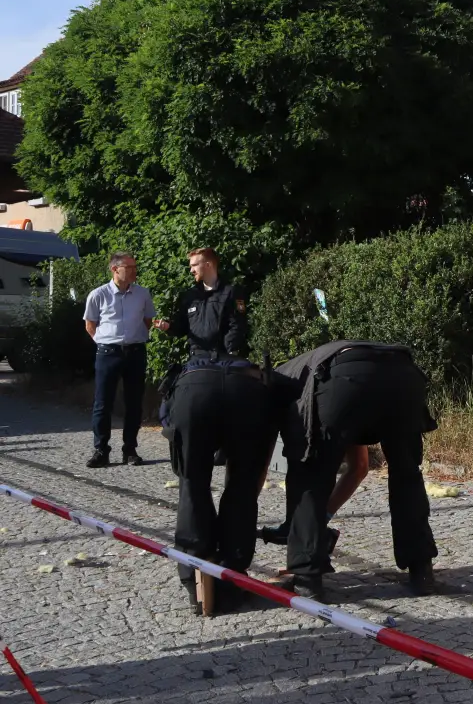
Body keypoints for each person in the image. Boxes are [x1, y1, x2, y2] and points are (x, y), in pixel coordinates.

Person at [272, 341, 438, 598]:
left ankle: (307, 580)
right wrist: (322, 519)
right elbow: (359, 467)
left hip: (348, 380)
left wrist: (302, 531)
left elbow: (289, 467)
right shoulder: (321, 376)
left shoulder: (287, 382)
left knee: (309, 475)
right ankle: (422, 571)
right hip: (403, 377)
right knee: (407, 476)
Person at [162, 354, 285, 614]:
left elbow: (169, 421)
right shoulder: (258, 378)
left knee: (192, 486)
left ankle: (193, 581)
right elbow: (257, 467)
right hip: (246, 394)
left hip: (193, 393)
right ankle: (232, 581)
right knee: (241, 488)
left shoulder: (185, 372)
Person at [155, 248, 250, 467]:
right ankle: (184, 445)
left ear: (208, 264)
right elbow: (181, 326)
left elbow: (237, 324)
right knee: (173, 400)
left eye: (194, 265)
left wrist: (229, 350)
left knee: (229, 404)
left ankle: (226, 448)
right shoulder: (190, 296)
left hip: (223, 358)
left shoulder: (232, 292)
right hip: (196, 358)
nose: (191, 270)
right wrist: (168, 326)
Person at [83, 253, 158, 469]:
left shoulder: (142, 294)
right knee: (102, 402)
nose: (134, 270)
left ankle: (130, 449)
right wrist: (103, 342)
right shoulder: (98, 294)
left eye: (135, 266)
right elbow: (90, 324)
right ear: (115, 269)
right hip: (108, 352)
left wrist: (136, 337)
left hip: (135, 352)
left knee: (134, 402)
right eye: (130, 267)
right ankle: (101, 450)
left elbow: (148, 320)